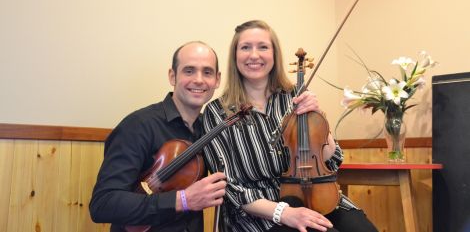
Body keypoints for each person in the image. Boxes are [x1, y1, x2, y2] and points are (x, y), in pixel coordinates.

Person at [202, 20, 378, 232]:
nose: (254, 55)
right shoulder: (218, 112)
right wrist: (285, 213)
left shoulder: (295, 96)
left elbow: (332, 157)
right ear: (235, 56)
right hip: (260, 214)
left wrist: (317, 116)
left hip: (315, 197)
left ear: (274, 55)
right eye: (246, 47)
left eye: (263, 47)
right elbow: (229, 186)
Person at [89, 41, 227, 232]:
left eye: (207, 72)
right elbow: (103, 204)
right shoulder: (138, 125)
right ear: (172, 76)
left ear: (217, 80)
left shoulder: (210, 129)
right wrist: (181, 200)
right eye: (189, 71)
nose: (199, 79)